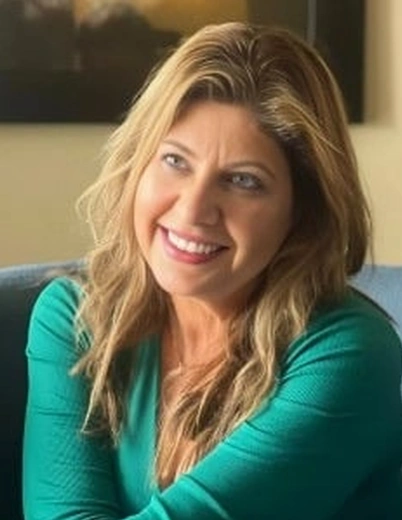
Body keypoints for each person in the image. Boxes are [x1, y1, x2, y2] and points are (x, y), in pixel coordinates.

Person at [23, 22, 402, 519]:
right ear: (138, 165)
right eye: (175, 161)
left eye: (243, 180)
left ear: (303, 211)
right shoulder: (76, 317)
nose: (193, 209)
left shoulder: (349, 354)